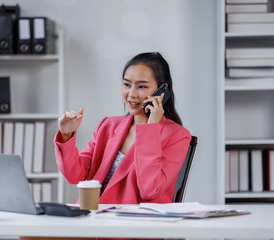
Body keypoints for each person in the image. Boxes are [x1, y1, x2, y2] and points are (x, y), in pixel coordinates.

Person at [54, 52, 191, 204]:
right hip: (94, 216)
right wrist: (66, 135)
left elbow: (149, 189)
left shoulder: (177, 136)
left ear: (162, 91)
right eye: (127, 84)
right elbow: (75, 176)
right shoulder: (107, 126)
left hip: (134, 221)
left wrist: (151, 128)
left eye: (142, 86)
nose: (131, 94)